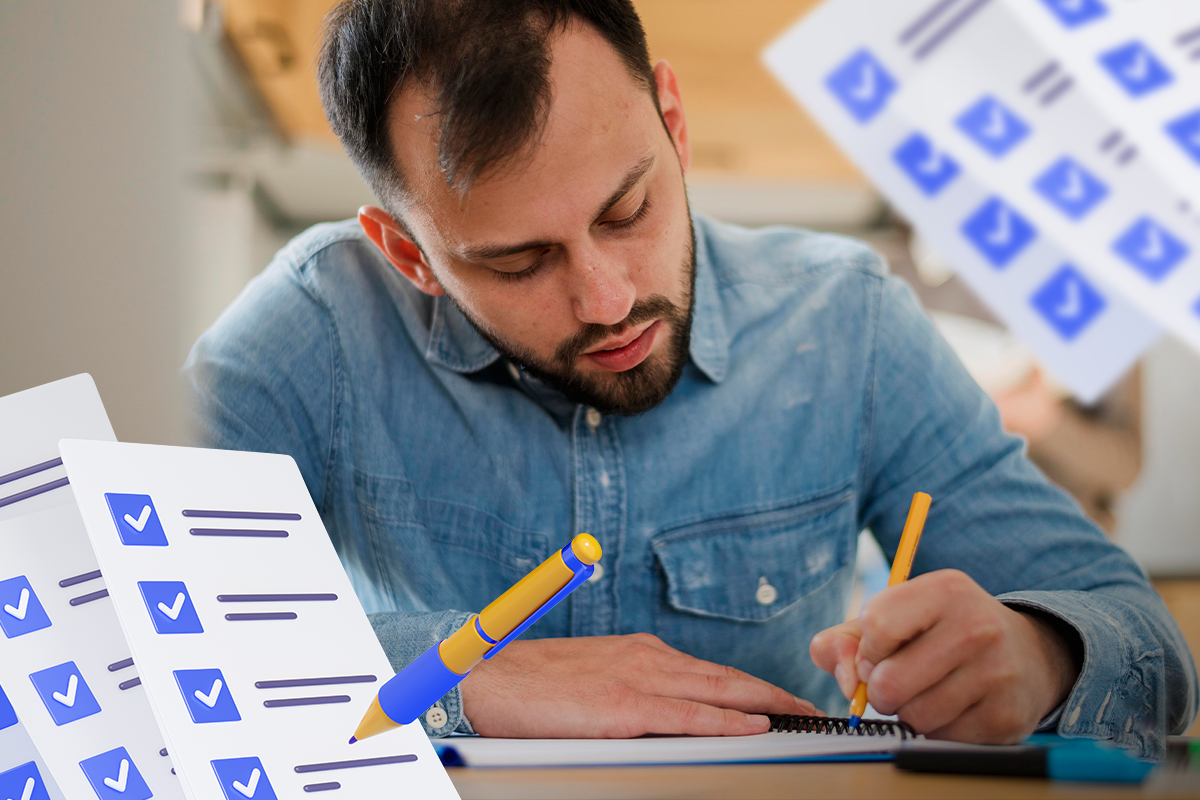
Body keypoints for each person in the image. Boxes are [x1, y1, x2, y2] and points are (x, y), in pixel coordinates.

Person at [184, 0, 1195, 758]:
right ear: (410, 254)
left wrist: (1041, 654)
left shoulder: (847, 321)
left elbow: (1149, 648)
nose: (608, 297)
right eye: (518, 261)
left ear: (673, 121)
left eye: (628, 210)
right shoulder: (310, 332)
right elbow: (101, 631)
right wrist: (464, 676)